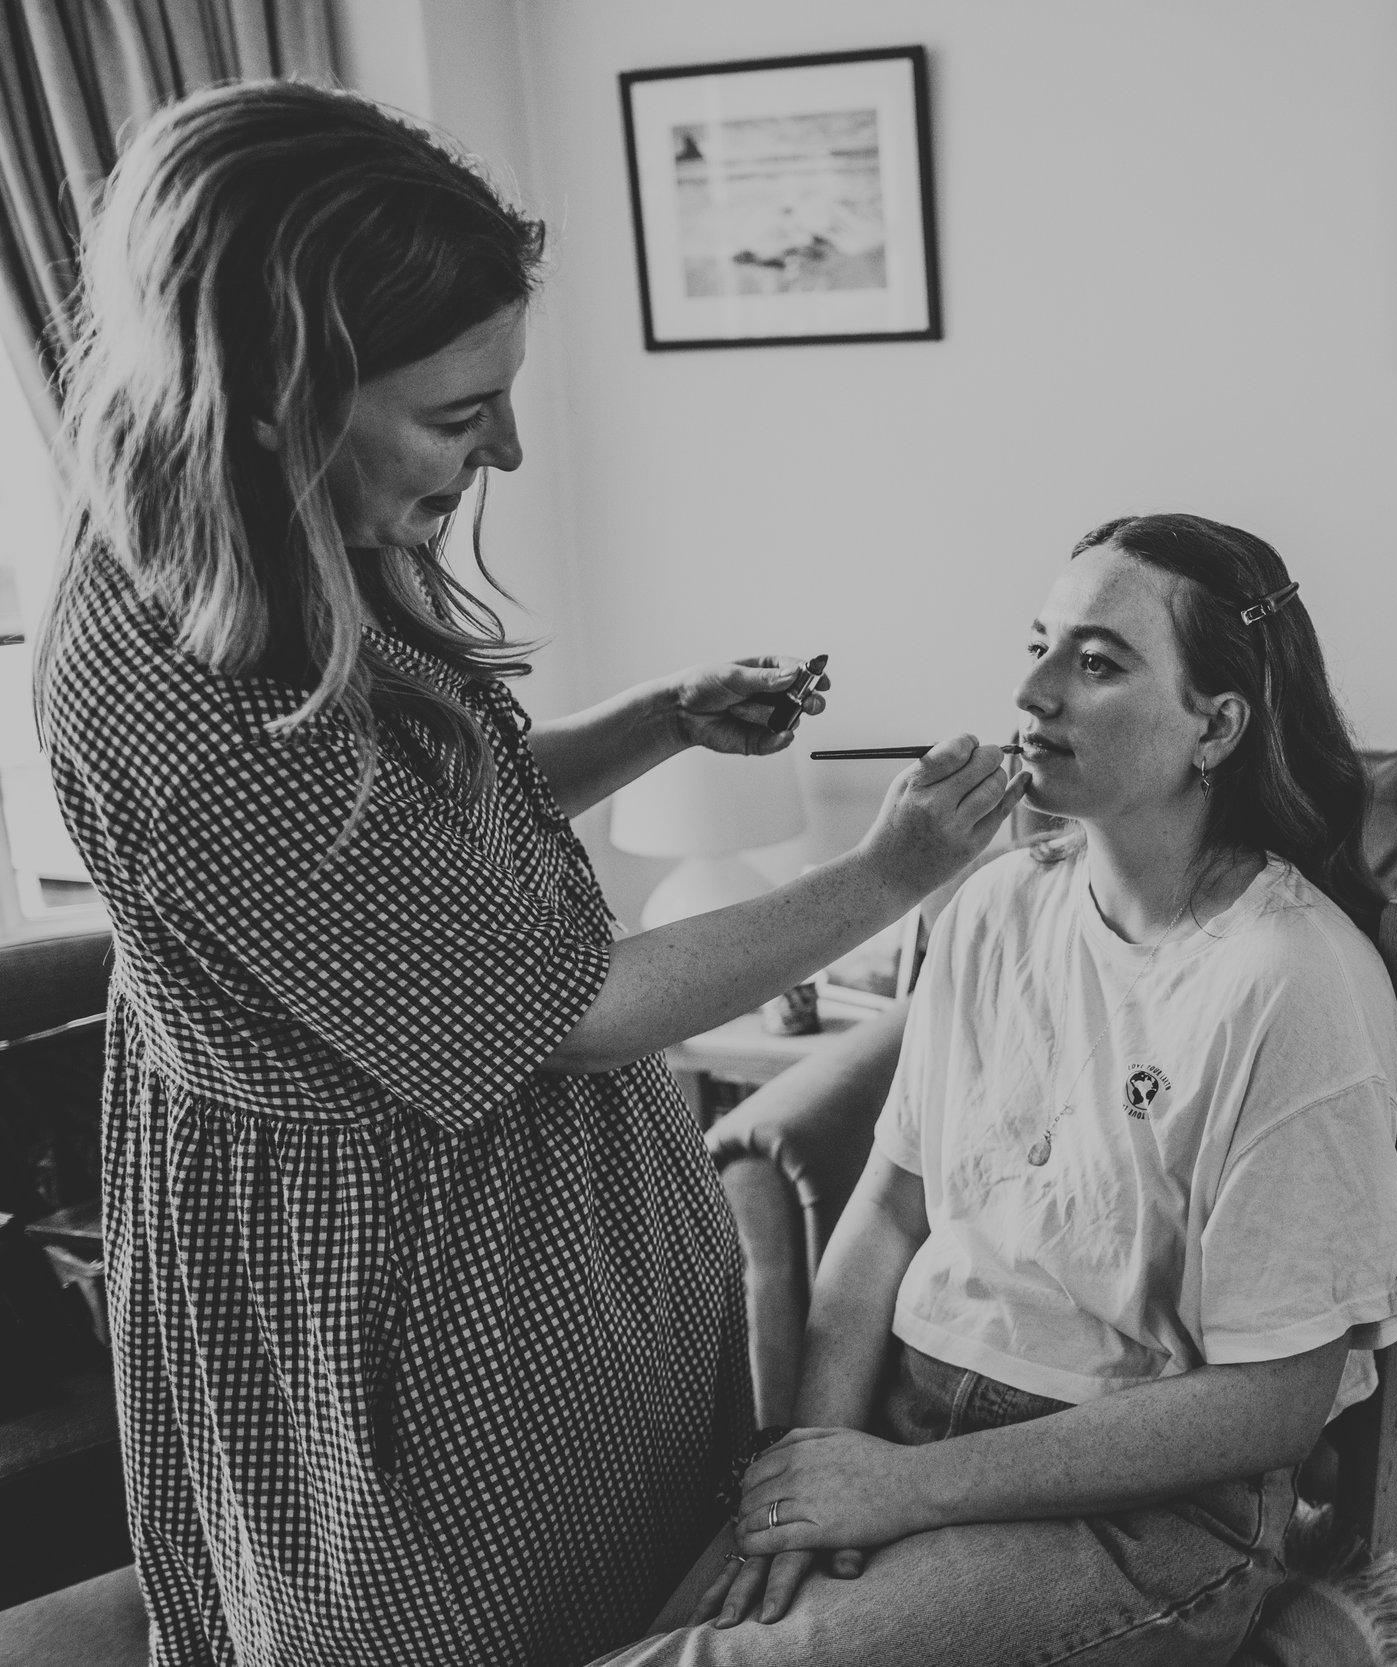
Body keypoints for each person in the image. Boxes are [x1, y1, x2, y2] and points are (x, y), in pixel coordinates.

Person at [34, 83, 1020, 1667]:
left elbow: (419, 846)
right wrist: (897, 867)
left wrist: (650, 724)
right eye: (454, 410)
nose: (502, 444)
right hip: (403, 1292)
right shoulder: (175, 690)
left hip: (543, 1237)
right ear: (277, 392)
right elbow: (580, 1006)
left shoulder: (304, 535)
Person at [600, 514, 1397, 1666]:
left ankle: (1273, 1615)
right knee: (662, 1632)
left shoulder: (1286, 981)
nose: (1033, 690)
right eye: (1037, 643)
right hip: (906, 1419)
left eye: (1096, 662)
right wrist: (819, 1452)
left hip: (1133, 1513)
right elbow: (892, 1209)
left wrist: (907, 1490)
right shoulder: (993, 906)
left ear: (1218, 724)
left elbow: (1274, 1401)